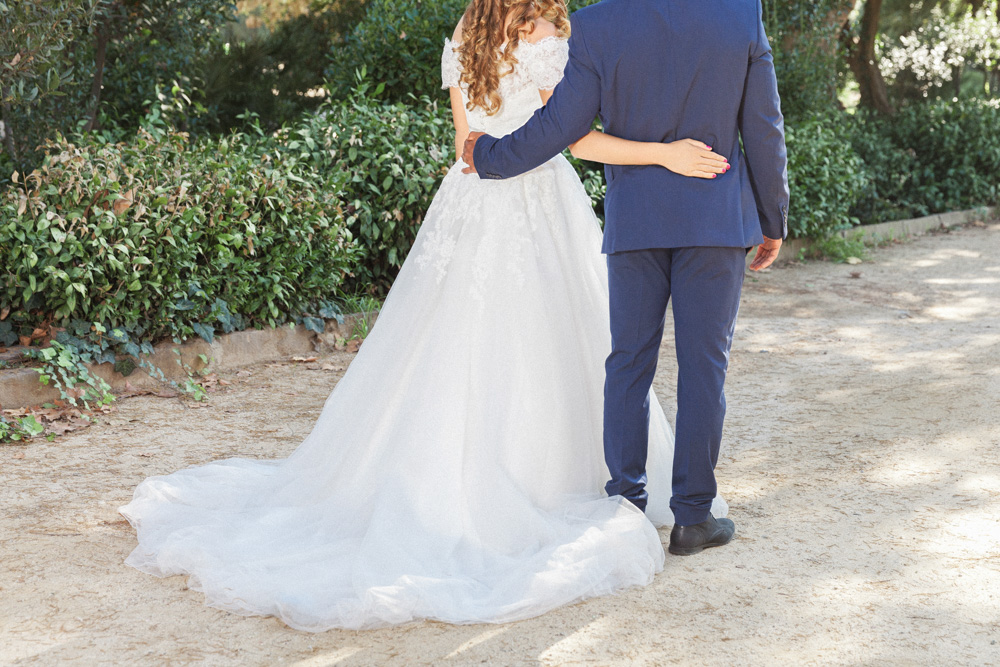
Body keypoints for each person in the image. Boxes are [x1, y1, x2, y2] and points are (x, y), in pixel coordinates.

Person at [119, 0, 729, 631]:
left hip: (468, 198)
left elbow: (464, 144)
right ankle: (569, 483)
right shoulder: (548, 33)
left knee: (449, 343)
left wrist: (489, 153)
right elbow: (571, 138)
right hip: (534, 201)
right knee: (557, 341)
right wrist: (665, 154)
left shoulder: (465, 30)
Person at [463, 0, 789, 556]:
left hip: (637, 220)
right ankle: (692, 518)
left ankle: (625, 505)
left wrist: (491, 156)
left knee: (629, 361)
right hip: (714, 219)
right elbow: (763, 125)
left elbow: (563, 126)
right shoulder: (739, 14)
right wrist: (772, 218)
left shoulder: (597, 23)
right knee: (704, 366)